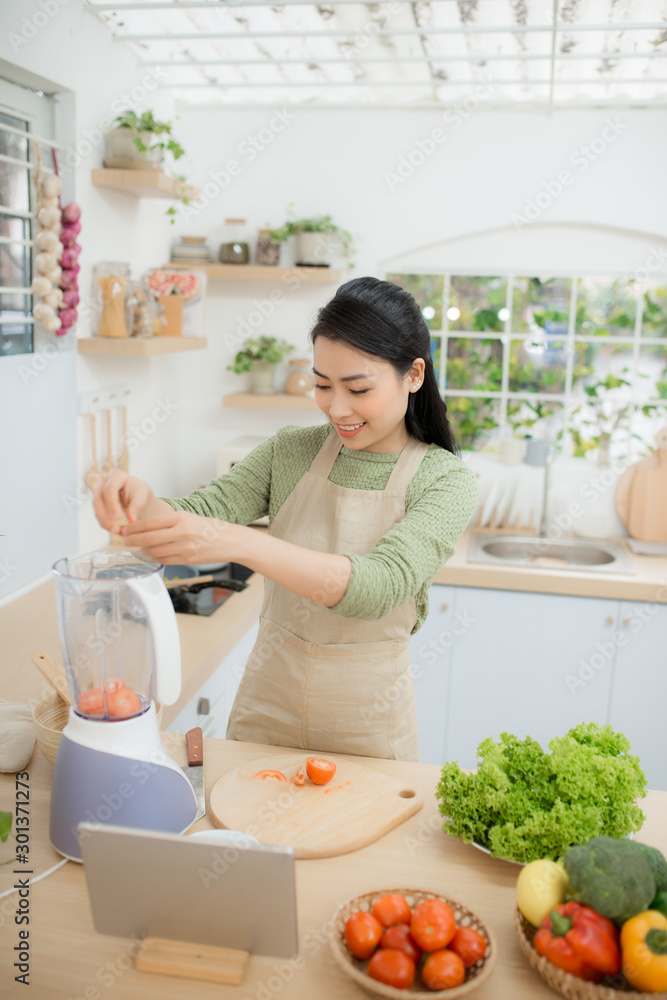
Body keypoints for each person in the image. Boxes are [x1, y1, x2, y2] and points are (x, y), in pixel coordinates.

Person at [93, 277, 479, 761]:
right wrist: (142, 501)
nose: (337, 409)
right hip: (266, 713)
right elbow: (205, 512)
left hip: (368, 730)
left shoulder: (445, 480)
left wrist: (242, 544)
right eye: (322, 385)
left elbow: (376, 586)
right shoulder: (292, 450)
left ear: (414, 375)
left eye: (358, 388)